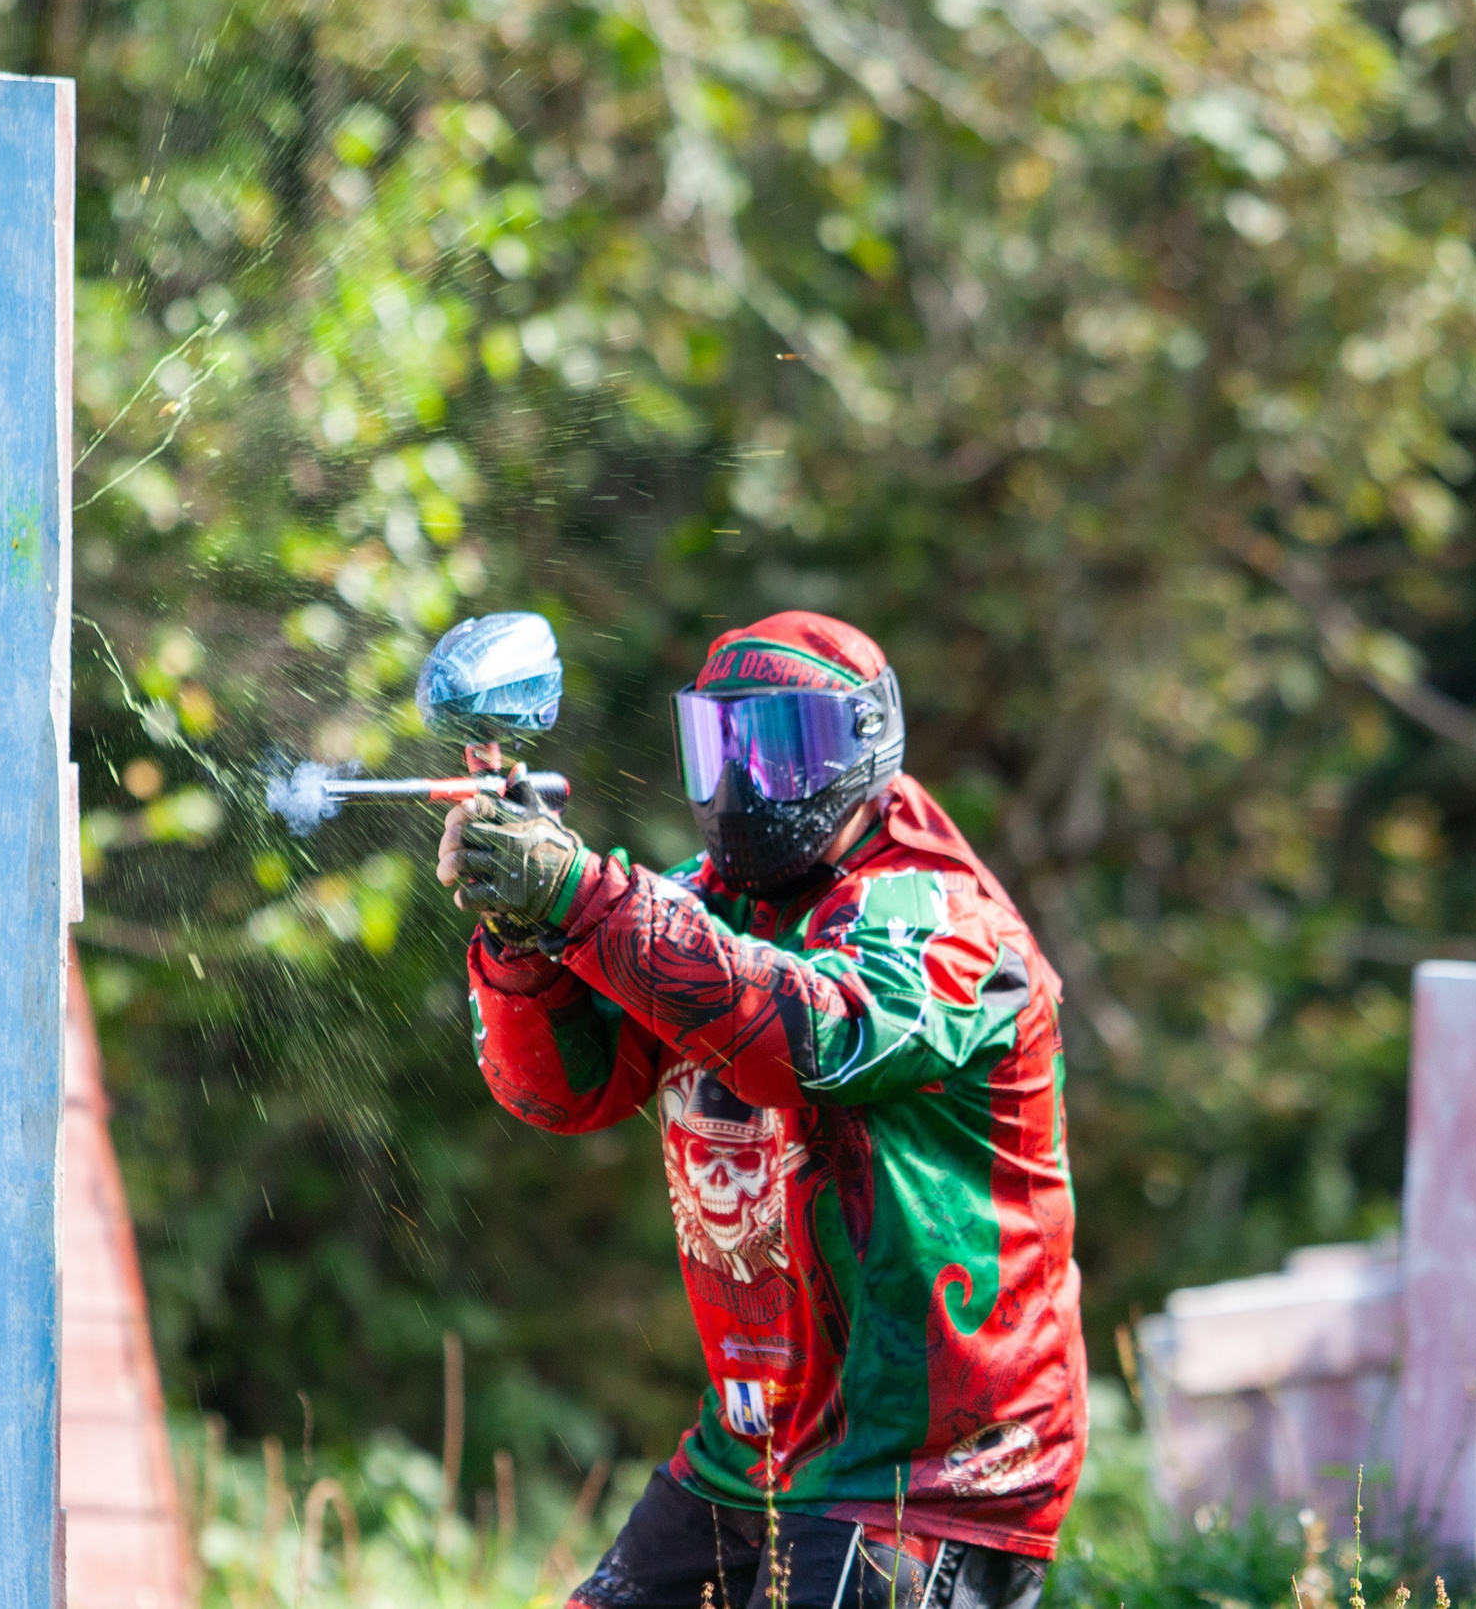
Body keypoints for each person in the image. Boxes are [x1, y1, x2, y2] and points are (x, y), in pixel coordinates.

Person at [435, 612, 1083, 1609]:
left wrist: (582, 901)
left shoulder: (947, 920)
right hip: (756, 1453)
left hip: (928, 1473)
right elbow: (566, 1091)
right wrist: (526, 936)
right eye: (720, 746)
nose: (743, 782)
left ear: (863, 749)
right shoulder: (714, 907)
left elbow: (815, 1037)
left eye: (780, 750)